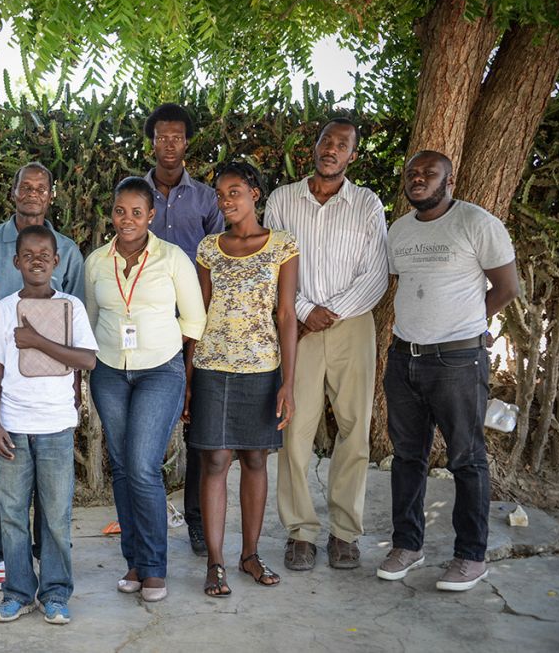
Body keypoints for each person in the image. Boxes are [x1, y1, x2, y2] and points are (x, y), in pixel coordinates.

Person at [378, 150, 518, 591]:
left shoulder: (477, 223)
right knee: (407, 458)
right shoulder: (398, 230)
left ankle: (471, 556)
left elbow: (507, 287)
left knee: (466, 458)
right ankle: (407, 545)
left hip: (457, 361)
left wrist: (473, 330)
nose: (418, 179)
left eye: (429, 173)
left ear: (449, 180)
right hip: (404, 358)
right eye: (412, 173)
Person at [264, 117, 388, 572]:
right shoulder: (281, 201)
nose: (332, 149)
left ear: (352, 155)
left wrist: (329, 311)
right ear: (313, 147)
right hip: (299, 329)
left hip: (352, 326)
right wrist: (302, 311)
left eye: (342, 145)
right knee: (294, 429)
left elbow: (376, 272)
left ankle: (344, 532)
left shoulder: (367, 205)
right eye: (326, 141)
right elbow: (272, 265)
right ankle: (300, 532)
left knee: (354, 429)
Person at [85, 177, 207, 602]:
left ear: (151, 215)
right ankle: (133, 562)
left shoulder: (173, 258)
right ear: (112, 212)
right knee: (121, 467)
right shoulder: (97, 261)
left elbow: (194, 321)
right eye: (120, 211)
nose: (128, 220)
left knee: (141, 466)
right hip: (109, 371)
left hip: (159, 370)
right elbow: (91, 315)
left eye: (137, 212)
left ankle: (155, 567)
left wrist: (182, 374)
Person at [184, 162, 299, 597]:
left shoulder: (282, 246)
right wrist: (190, 379)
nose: (226, 201)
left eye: (234, 191)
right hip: (213, 367)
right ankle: (215, 563)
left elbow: (286, 315)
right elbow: (197, 316)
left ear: (255, 192)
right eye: (220, 195)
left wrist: (288, 381)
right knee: (214, 461)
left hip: (262, 370)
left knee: (255, 460)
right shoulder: (209, 248)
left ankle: (249, 555)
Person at [0, 225, 98, 625]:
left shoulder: (71, 308)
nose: (36, 260)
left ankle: (56, 593)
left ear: (57, 261)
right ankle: (18, 593)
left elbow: (87, 360)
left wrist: (36, 340)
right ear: (15, 262)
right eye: (27, 255)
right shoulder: (2, 310)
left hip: (56, 426)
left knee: (56, 515)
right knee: (12, 514)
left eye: (44, 254)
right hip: (13, 424)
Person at [142, 103, 224, 556]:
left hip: (197, 323)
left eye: (177, 137)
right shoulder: (134, 191)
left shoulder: (207, 199)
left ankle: (196, 521)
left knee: (197, 425)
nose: (169, 144)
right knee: (146, 428)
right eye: (161, 136)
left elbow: (218, 258)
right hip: (147, 322)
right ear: (152, 141)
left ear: (186, 142)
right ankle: (145, 517)